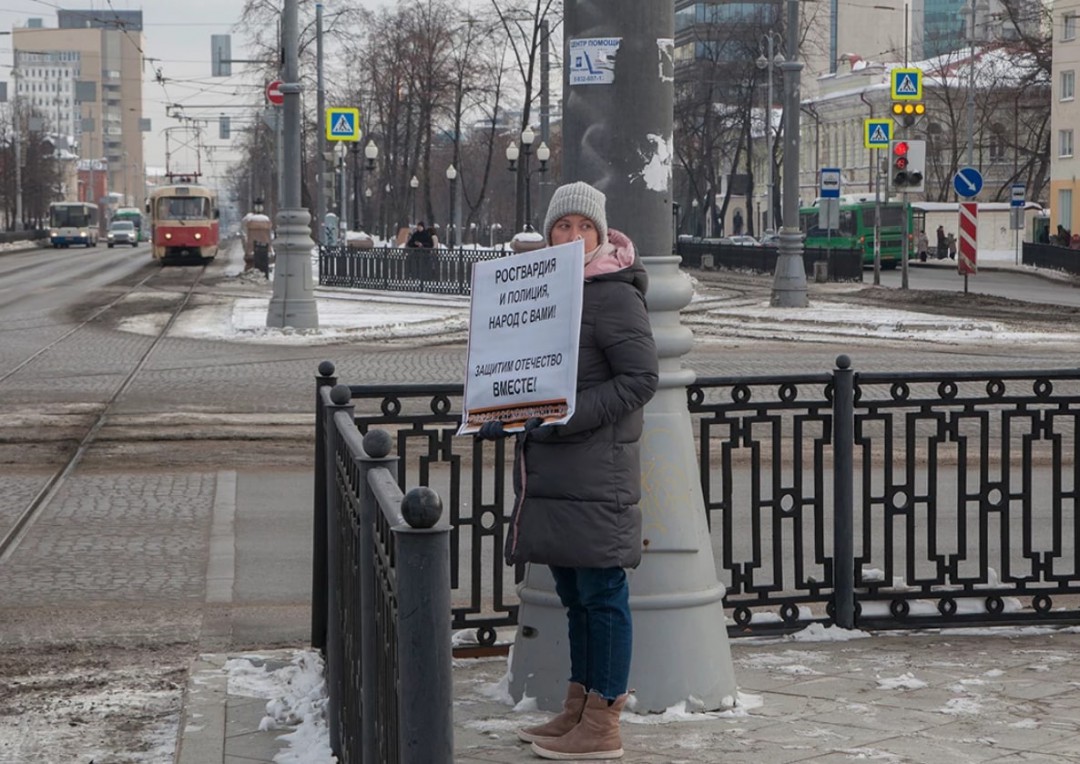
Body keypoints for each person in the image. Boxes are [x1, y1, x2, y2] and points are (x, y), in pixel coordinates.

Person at [476, 181, 659, 761]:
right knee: (576, 593)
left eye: (585, 228)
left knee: (602, 593)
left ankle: (603, 725)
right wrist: (498, 412)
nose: (573, 237)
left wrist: (563, 419)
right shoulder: (542, 290)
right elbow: (524, 371)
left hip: (595, 469)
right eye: (562, 227)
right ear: (548, 232)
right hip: (552, 471)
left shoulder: (613, 294)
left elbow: (640, 379)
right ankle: (578, 709)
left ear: (602, 235)